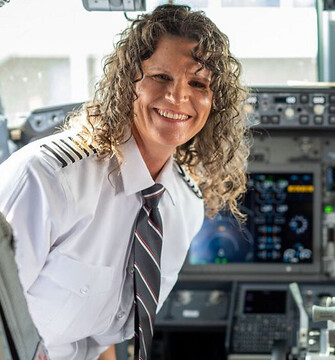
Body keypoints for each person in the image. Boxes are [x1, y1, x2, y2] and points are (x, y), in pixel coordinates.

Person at [0, 4, 249, 359]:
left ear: (214, 102)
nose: (178, 97)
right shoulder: (46, 179)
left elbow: (101, 337)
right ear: (128, 81)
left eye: (198, 83)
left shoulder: (185, 206)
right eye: (161, 77)